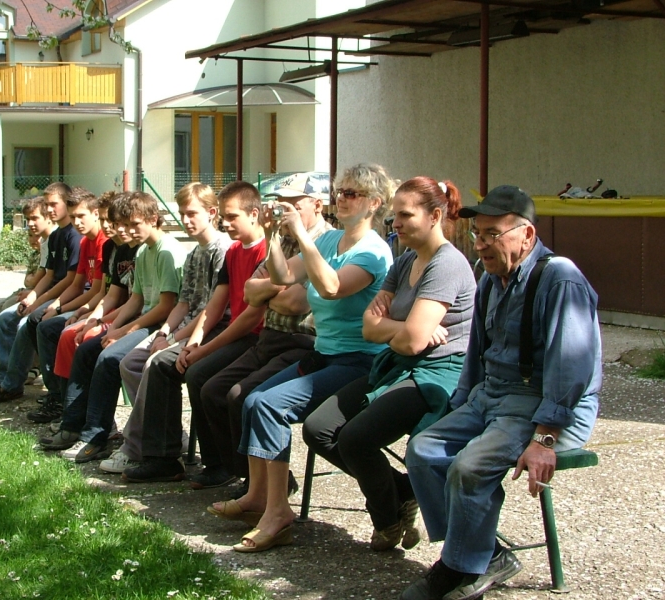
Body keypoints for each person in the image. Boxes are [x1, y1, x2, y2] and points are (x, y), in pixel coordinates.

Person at [399, 185, 601, 600]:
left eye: (492, 234)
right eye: (477, 234)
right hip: (491, 397)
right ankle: (485, 554)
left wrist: (545, 438)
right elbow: (477, 355)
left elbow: (571, 368)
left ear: (526, 235)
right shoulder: (491, 279)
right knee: (423, 450)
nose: (480, 244)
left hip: (544, 404)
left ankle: (458, 567)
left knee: (469, 466)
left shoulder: (559, 278)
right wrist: (458, 407)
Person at [208, 164, 395, 553]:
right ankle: (259, 498)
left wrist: (304, 238)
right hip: (324, 354)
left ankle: (278, 514)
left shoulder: (373, 251)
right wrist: (274, 236)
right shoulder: (330, 242)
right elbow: (282, 277)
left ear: (374, 203)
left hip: (359, 361)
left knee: (270, 406)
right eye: (340, 192)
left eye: (352, 194)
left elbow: (330, 287)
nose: (341, 199)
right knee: (253, 399)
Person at [302, 176, 476, 552]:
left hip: (439, 374)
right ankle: (402, 492)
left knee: (356, 438)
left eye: (405, 215)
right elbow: (371, 328)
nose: (395, 223)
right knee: (318, 428)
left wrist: (397, 329)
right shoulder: (407, 259)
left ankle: (386, 518)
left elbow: (413, 341)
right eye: (395, 215)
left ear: (434, 216)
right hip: (398, 366)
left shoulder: (447, 265)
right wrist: (404, 328)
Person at [120, 181, 266, 483]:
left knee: (196, 373)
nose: (226, 223)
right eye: (225, 216)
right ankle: (162, 457)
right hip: (227, 332)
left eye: (232, 216)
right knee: (161, 364)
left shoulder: (259, 251)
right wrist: (191, 340)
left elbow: (246, 317)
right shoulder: (232, 251)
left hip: (252, 336)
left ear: (254, 214)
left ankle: (222, 464)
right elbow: (213, 304)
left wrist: (198, 347)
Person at [196, 173, 333, 491]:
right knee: (212, 389)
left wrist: (269, 290)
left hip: (303, 343)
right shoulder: (281, 239)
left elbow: (296, 303)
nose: (284, 211)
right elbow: (250, 293)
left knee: (240, 395)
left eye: (293, 204)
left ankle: (270, 484)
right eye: (281, 204)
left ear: (317, 204)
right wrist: (277, 287)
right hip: (270, 337)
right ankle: (242, 474)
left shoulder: (325, 242)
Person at [38, 191, 186, 463]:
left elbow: (165, 307)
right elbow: (136, 299)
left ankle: (98, 437)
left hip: (162, 324)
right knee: (87, 350)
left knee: (109, 359)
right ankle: (74, 426)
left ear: (153, 219)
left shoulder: (166, 251)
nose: (126, 230)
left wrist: (122, 331)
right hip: (144, 319)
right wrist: (111, 327)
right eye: (124, 225)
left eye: (132, 224)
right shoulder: (143, 251)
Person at [99, 182, 231, 474]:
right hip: (185, 327)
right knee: (130, 362)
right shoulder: (195, 252)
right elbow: (183, 303)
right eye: (182, 213)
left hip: (212, 329)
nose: (186, 220)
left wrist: (172, 339)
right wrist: (163, 334)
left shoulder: (223, 249)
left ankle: (144, 449)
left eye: (192, 213)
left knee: (155, 363)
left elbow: (212, 311)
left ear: (212, 213)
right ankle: (164, 435)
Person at [0, 182, 81, 402]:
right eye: (47, 205)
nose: (49, 209)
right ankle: (5, 380)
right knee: (4, 318)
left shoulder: (75, 236)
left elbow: (71, 281)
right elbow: (49, 275)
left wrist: (40, 302)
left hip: (68, 296)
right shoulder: (56, 236)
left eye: (53, 204)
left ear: (67, 202)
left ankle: (19, 384)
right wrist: (32, 296)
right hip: (51, 293)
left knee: (26, 324)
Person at [26, 188, 108, 423]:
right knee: (39, 320)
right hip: (89, 301)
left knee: (53, 329)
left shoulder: (103, 242)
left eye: (81, 216)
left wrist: (70, 311)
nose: (77, 222)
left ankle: (62, 400)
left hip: (98, 305)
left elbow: (97, 291)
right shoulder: (85, 243)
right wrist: (56, 306)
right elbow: (76, 283)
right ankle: (57, 395)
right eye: (73, 217)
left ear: (95, 214)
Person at [0, 199, 52, 366]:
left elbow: (42, 277)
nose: (30, 224)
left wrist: (33, 294)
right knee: (1, 309)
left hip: (45, 293)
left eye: (34, 218)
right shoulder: (41, 247)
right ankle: (3, 353)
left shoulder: (53, 241)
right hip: (35, 290)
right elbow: (31, 278)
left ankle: (28, 365)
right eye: (27, 219)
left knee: (14, 315)